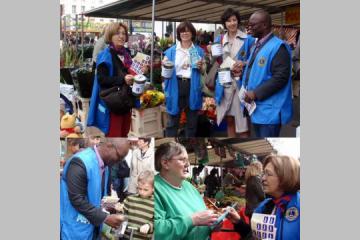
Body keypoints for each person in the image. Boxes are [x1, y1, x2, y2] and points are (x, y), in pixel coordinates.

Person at [60, 138, 130, 240]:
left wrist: (108, 206)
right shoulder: (80, 162)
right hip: (74, 228)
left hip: (92, 227)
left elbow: (94, 196)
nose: (118, 162)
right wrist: (105, 218)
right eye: (119, 157)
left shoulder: (104, 165)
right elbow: (77, 199)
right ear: (109, 146)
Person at [87, 23, 147, 137]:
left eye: (123, 33)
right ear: (110, 35)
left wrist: (141, 71)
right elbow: (102, 80)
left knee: (124, 133)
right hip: (113, 102)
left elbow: (131, 74)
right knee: (114, 136)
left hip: (126, 100)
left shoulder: (126, 54)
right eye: (117, 33)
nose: (121, 36)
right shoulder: (105, 55)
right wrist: (123, 79)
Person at [242, 10, 293, 137]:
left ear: (264, 25)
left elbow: (280, 77)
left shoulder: (278, 47)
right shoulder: (256, 46)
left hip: (270, 112)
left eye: (253, 25)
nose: (249, 28)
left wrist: (255, 93)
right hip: (257, 109)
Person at [225, 155, 300, 240]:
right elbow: (254, 236)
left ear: (285, 177)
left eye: (269, 174)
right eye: (263, 173)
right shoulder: (265, 206)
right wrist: (238, 222)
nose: (263, 178)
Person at [154, 142, 219, 240]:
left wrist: (212, 225)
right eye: (182, 160)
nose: (188, 164)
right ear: (165, 163)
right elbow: (156, 231)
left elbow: (202, 217)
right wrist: (192, 220)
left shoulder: (189, 187)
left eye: (187, 160)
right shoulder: (154, 189)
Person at [211, 8, 256, 138]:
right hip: (225, 83)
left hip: (241, 83)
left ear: (238, 21)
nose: (232, 23)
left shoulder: (248, 40)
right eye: (228, 21)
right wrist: (211, 52)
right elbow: (217, 60)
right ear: (224, 23)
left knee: (243, 123)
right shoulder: (219, 39)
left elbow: (254, 59)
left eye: (234, 20)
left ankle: (245, 143)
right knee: (229, 119)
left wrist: (244, 64)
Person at [163, 21, 205, 137]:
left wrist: (202, 67)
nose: (185, 33)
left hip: (193, 86)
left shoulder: (198, 51)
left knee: (192, 122)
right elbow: (165, 73)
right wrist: (165, 65)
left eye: (187, 31)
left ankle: (189, 143)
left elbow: (203, 72)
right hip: (175, 85)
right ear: (178, 34)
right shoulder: (171, 51)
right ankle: (170, 144)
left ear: (192, 33)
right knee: (172, 122)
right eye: (182, 31)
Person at [123, 170, 155, 240]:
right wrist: (119, 209)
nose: (142, 192)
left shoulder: (156, 204)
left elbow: (157, 221)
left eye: (146, 190)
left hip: (143, 238)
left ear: (153, 189)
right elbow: (122, 214)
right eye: (140, 189)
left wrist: (149, 226)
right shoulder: (130, 199)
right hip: (126, 237)